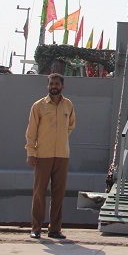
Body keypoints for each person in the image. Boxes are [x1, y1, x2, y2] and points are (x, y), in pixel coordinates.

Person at [25, 73, 76, 240]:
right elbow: (31, 132)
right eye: (51, 84)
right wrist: (31, 153)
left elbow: (70, 126)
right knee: (39, 193)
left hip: (62, 155)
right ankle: (36, 228)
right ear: (48, 86)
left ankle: (55, 229)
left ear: (62, 86)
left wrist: (59, 139)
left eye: (57, 84)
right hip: (43, 155)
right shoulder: (38, 106)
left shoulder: (68, 105)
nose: (54, 86)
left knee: (58, 194)